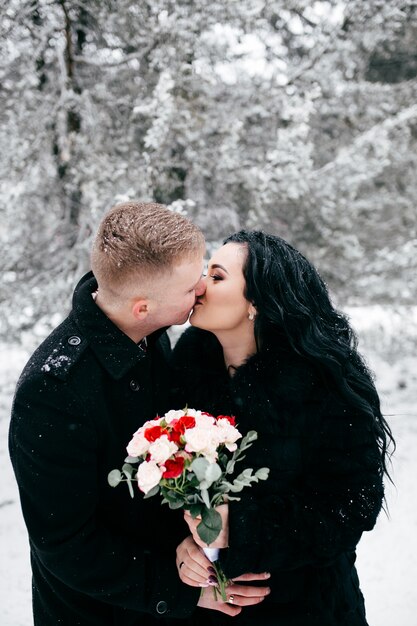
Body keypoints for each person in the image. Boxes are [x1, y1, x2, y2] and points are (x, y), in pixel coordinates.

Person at [8, 203, 270, 626]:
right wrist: (178, 589)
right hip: (96, 614)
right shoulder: (53, 391)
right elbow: (66, 545)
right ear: (143, 307)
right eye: (190, 287)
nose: (202, 288)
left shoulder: (153, 335)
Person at [171, 230, 395, 626]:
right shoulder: (184, 371)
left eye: (218, 276)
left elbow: (352, 506)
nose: (200, 285)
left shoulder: (323, 385)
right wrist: (185, 549)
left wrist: (241, 529)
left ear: (256, 301)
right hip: (208, 610)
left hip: (307, 609)